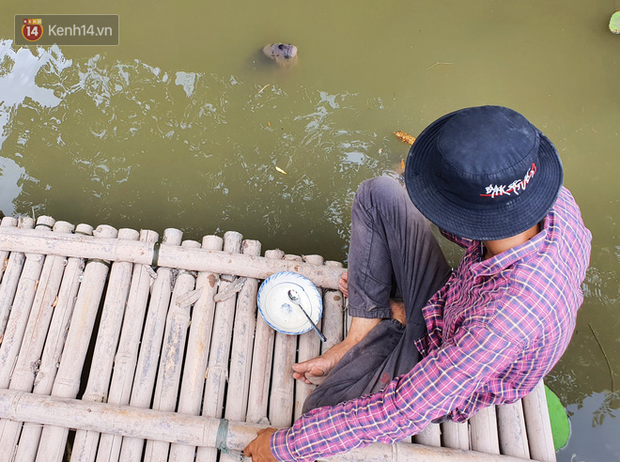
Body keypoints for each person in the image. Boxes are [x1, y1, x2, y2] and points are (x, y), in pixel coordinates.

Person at [244, 105, 592, 462]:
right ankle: (361, 336)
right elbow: (467, 233)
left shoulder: (507, 318)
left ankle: (398, 322)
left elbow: (403, 410)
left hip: (454, 356)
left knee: (321, 407)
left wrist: (283, 447)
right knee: (379, 193)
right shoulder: (550, 200)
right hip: (452, 306)